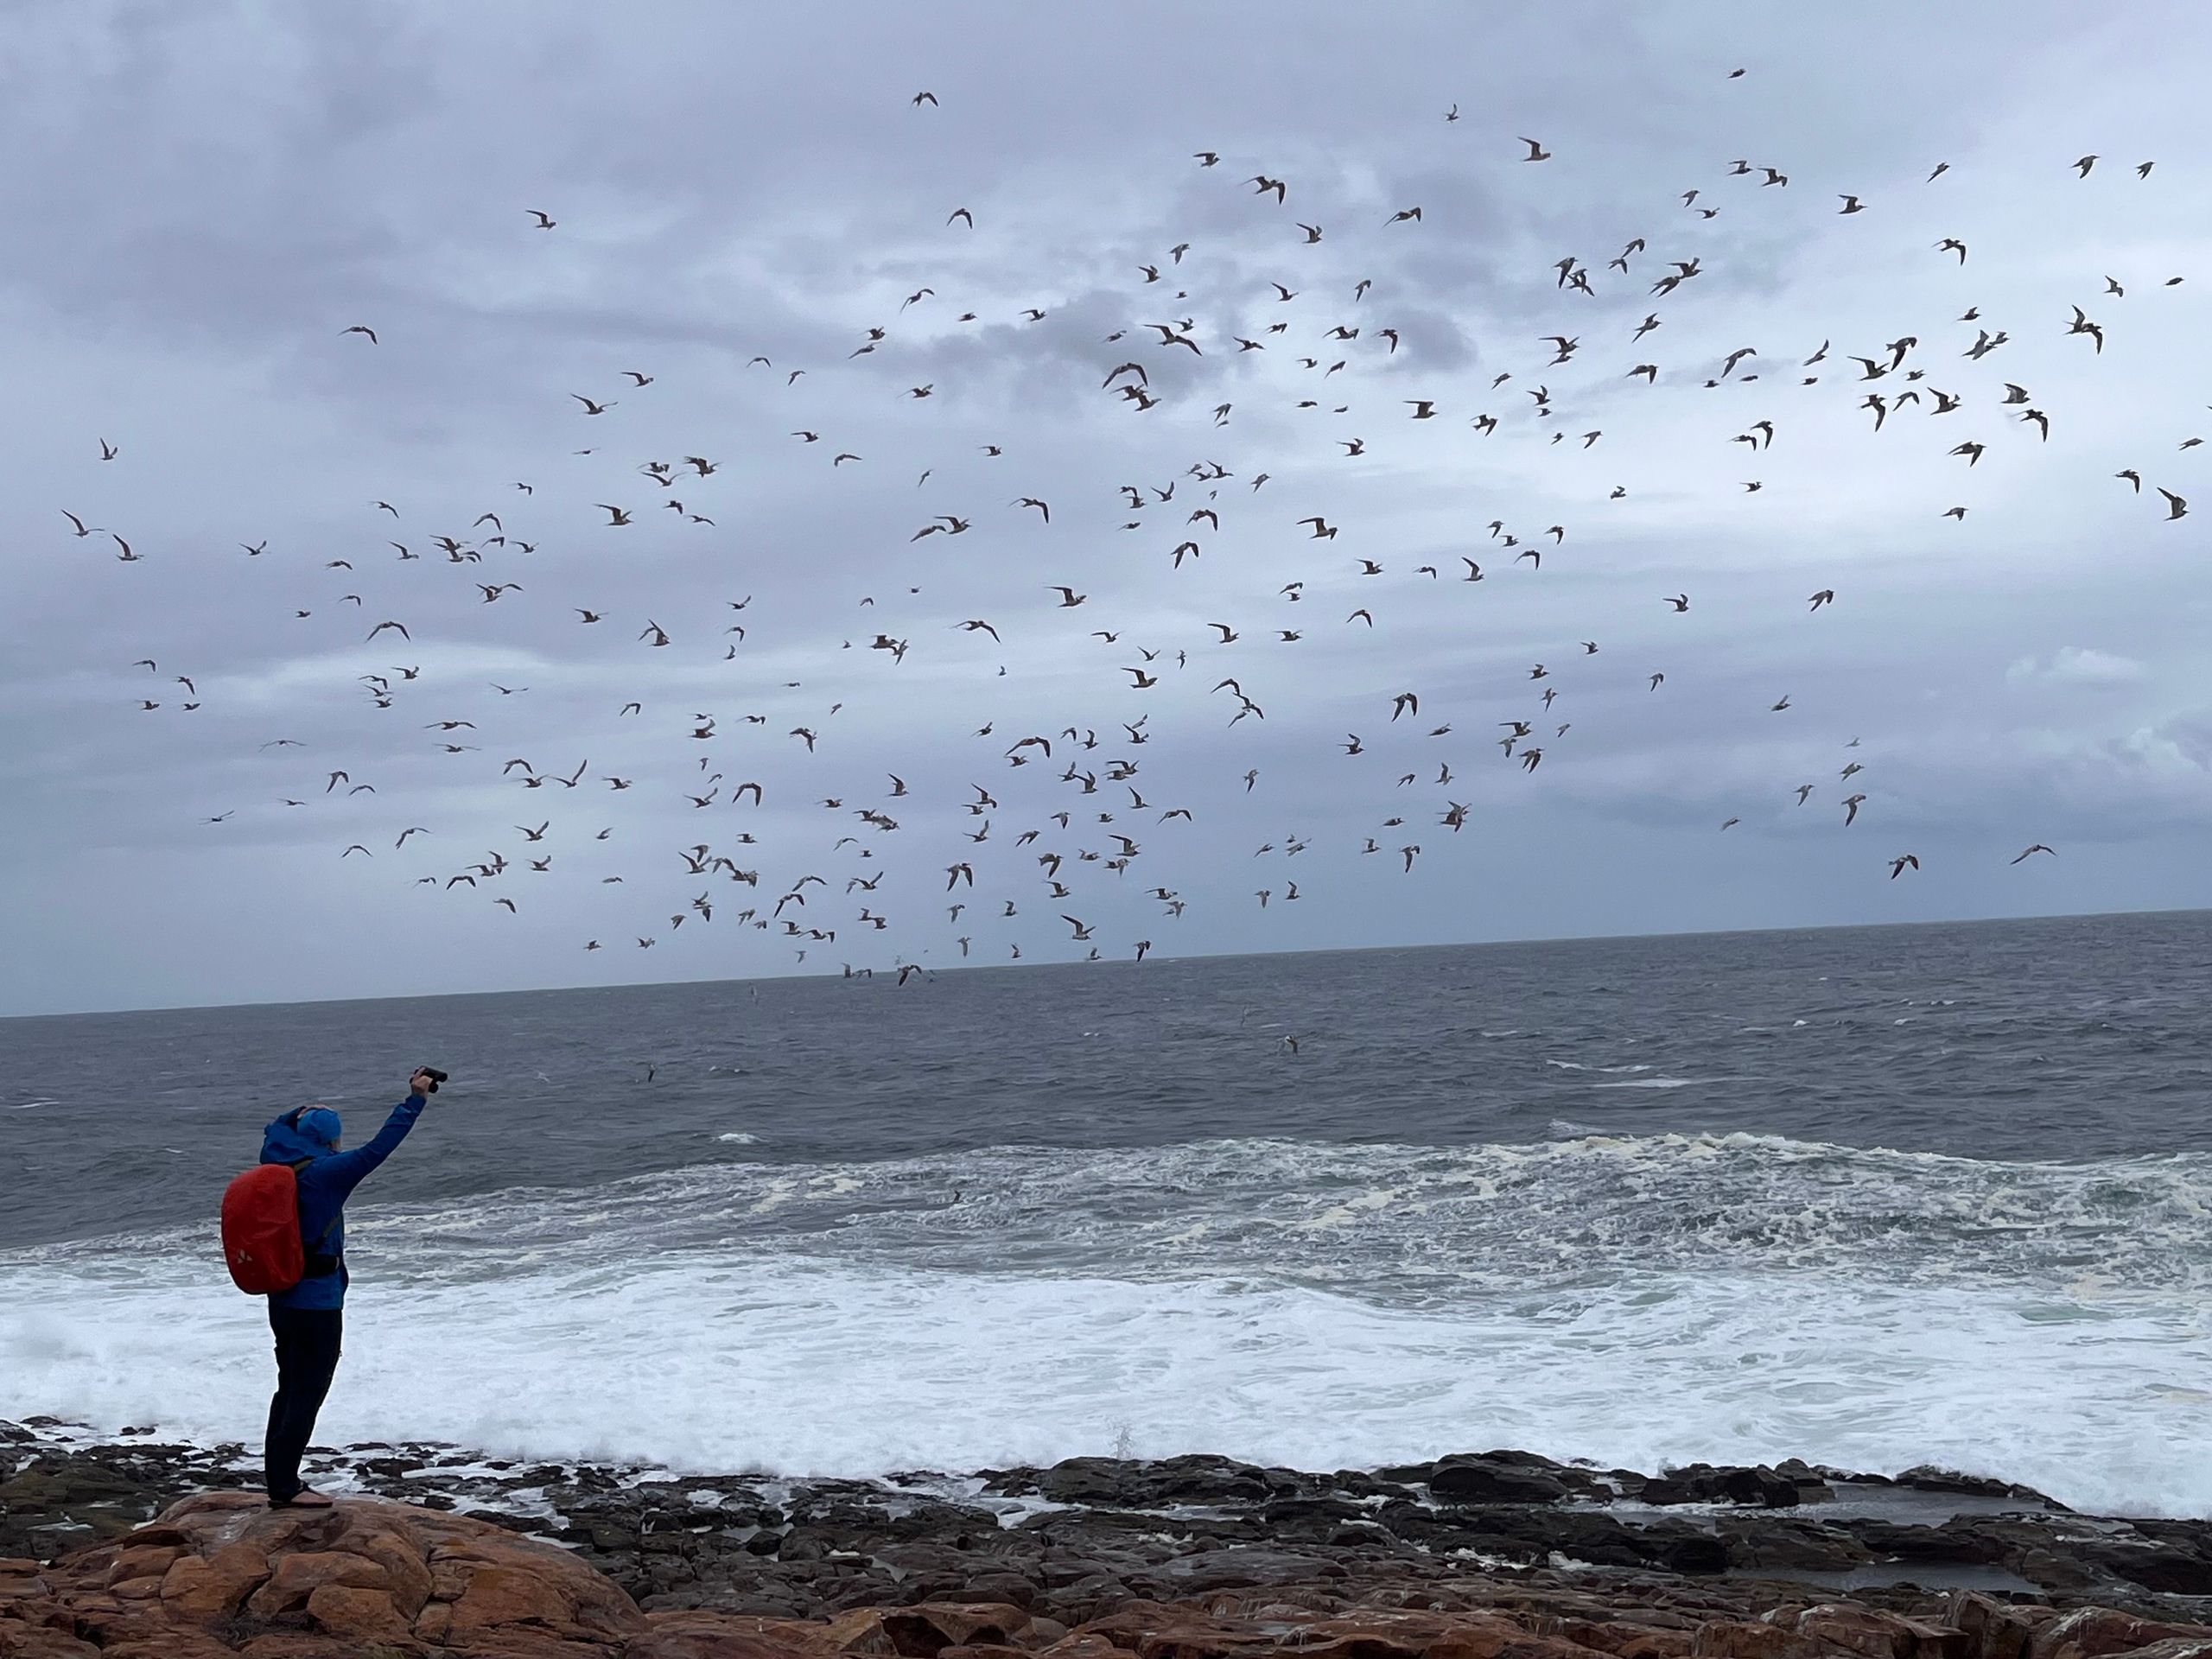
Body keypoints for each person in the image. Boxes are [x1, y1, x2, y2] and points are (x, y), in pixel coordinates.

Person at [256, 1069, 439, 1508]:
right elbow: (379, 1148)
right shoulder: (325, 1175)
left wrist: (299, 1114)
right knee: (308, 1392)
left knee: (288, 1388)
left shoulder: (276, 1166)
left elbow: (279, 1126)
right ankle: (284, 1488)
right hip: (316, 1303)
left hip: (281, 1298)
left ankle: (278, 1480)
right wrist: (414, 1099)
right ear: (330, 1141)